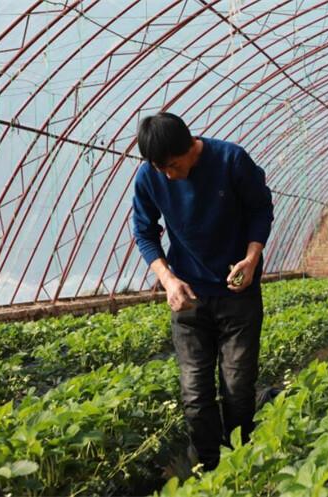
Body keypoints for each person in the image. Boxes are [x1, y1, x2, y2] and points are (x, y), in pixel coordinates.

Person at [132, 112, 274, 471]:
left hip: (237, 295)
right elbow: (144, 232)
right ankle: (211, 471)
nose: (168, 175)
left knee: (237, 388)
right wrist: (168, 279)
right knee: (195, 394)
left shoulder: (231, 160)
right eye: (160, 168)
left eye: (173, 165)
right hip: (189, 299)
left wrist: (251, 259)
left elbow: (260, 210)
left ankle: (242, 465)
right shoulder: (150, 176)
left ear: (190, 147)